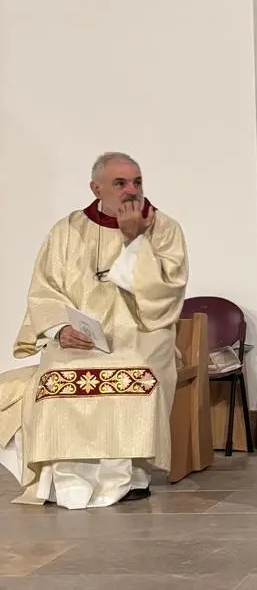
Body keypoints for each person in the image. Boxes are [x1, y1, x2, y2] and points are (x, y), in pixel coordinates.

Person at [0, 152, 188, 508]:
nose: (132, 190)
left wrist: (134, 240)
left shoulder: (164, 229)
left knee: (139, 370)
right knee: (56, 377)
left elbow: (165, 294)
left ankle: (133, 476)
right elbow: (44, 290)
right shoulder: (66, 231)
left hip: (140, 333)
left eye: (137, 182)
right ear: (96, 188)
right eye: (120, 183)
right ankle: (66, 479)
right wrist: (59, 329)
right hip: (80, 338)